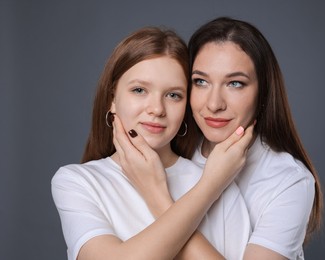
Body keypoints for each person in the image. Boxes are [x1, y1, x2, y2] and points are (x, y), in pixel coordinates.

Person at [114, 17, 323, 260]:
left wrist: (158, 198)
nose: (214, 104)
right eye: (200, 82)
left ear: (263, 92)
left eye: (235, 83)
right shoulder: (166, 150)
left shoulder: (287, 180)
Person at [51, 27, 254, 260]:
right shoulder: (77, 182)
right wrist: (208, 189)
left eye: (173, 95)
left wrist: (210, 183)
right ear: (112, 99)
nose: (157, 109)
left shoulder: (222, 184)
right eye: (139, 90)